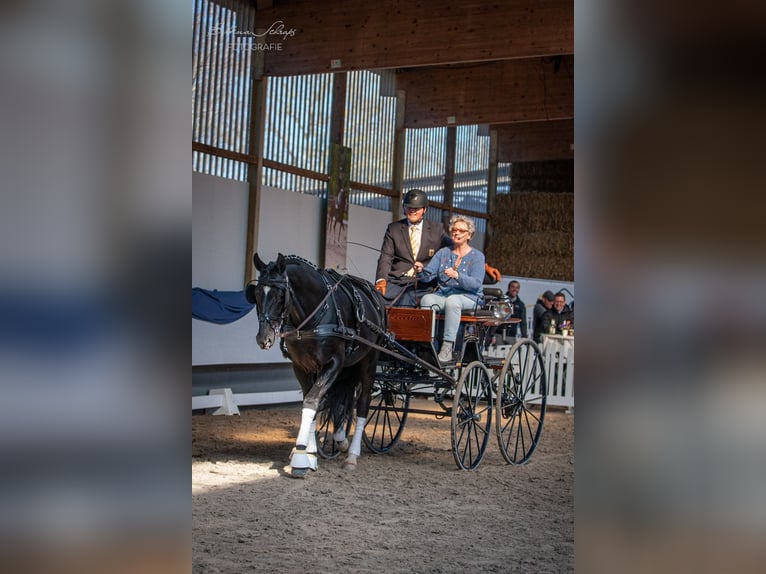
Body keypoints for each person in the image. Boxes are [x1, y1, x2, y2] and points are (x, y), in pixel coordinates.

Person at [414, 215, 485, 364]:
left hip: (470, 297)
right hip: (444, 295)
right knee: (427, 299)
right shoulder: (443, 253)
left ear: (469, 235)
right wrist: (421, 270)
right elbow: (428, 276)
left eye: (461, 231)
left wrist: (457, 275)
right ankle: (428, 344)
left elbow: (476, 284)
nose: (456, 233)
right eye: (454, 230)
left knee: (453, 301)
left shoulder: (477, 256)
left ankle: (447, 347)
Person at [374, 188, 453, 306]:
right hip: (398, 280)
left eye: (416, 209)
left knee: (407, 300)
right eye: (409, 208)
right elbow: (386, 257)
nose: (412, 211)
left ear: (424, 209)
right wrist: (381, 280)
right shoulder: (393, 229)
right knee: (375, 300)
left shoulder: (437, 230)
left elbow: (455, 248)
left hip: (424, 282)